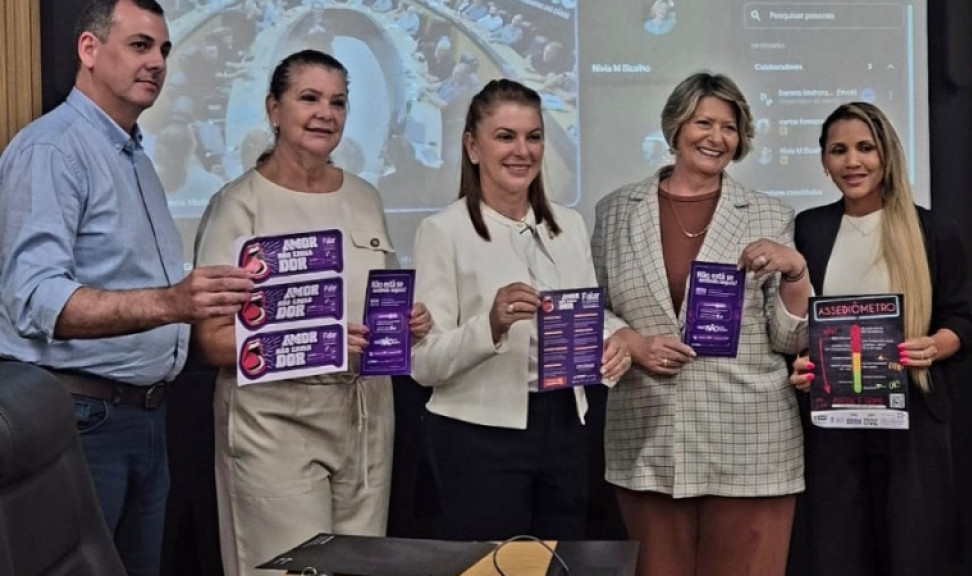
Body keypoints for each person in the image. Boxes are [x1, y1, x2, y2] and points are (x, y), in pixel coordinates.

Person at [0, 1, 254, 575]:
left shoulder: (131, 153)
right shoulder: (52, 149)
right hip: (85, 421)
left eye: (164, 49)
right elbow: (34, 300)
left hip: (146, 418)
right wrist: (172, 303)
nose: (158, 62)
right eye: (140, 45)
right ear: (89, 50)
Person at [192, 49, 432, 576]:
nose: (326, 113)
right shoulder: (239, 205)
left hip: (366, 417)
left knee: (360, 569)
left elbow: (379, 300)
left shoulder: (365, 197)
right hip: (274, 423)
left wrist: (407, 323)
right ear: (274, 109)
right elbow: (210, 340)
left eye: (338, 102)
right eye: (309, 98)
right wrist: (314, 344)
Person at [591, 71, 812, 576]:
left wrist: (796, 270)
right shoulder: (615, 211)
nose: (716, 137)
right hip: (647, 438)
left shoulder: (769, 214)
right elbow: (595, 306)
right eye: (703, 122)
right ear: (675, 126)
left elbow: (790, 337)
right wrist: (630, 341)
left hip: (750, 443)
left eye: (729, 127)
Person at [412, 79, 632, 540]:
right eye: (505, 136)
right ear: (473, 147)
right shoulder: (442, 231)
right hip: (477, 435)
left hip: (566, 426)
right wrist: (490, 326)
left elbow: (587, 315)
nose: (522, 150)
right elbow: (424, 364)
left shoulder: (569, 225)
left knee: (559, 562)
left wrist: (613, 342)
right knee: (490, 566)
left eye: (533, 137)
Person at [786, 102, 972, 576]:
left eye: (865, 148)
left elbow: (962, 320)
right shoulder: (808, 228)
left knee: (914, 553)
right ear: (824, 161)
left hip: (912, 417)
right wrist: (801, 361)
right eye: (839, 151)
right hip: (832, 422)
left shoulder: (934, 230)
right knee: (836, 553)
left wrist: (936, 345)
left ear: (886, 154)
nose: (852, 162)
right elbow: (794, 322)